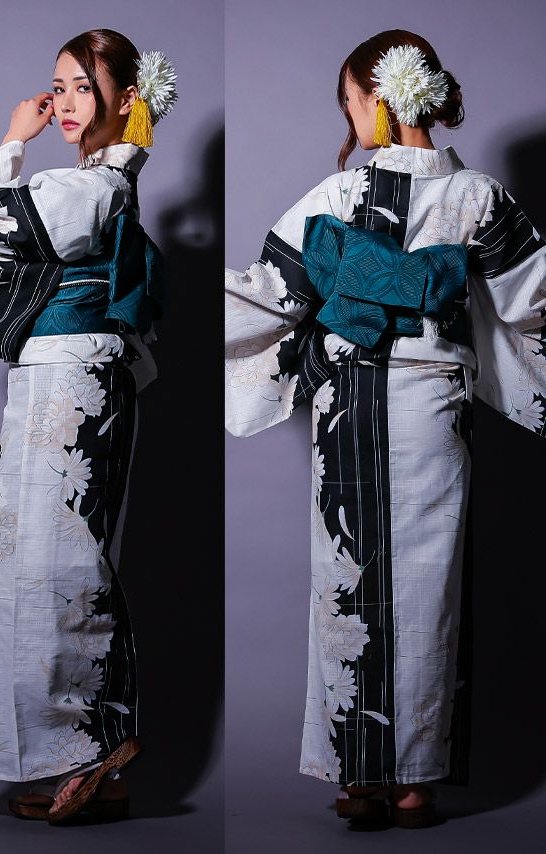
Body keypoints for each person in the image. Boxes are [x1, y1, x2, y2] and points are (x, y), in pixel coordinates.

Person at [225, 29, 545, 829]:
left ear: (379, 98)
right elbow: (533, 302)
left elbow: (271, 292)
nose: (350, 117)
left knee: (347, 578)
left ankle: (358, 774)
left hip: (351, 398)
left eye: (349, 101)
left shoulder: (336, 197)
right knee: (429, 585)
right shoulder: (479, 196)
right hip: (435, 402)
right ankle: (415, 783)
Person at [0, 28, 177, 824]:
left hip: (73, 376)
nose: (62, 103)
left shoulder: (93, 188)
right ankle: (84, 756)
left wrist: (11, 141)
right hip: (60, 374)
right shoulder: (91, 182)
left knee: (62, 563)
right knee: (40, 562)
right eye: (56, 86)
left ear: (126, 99)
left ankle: (95, 744)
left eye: (80, 87)